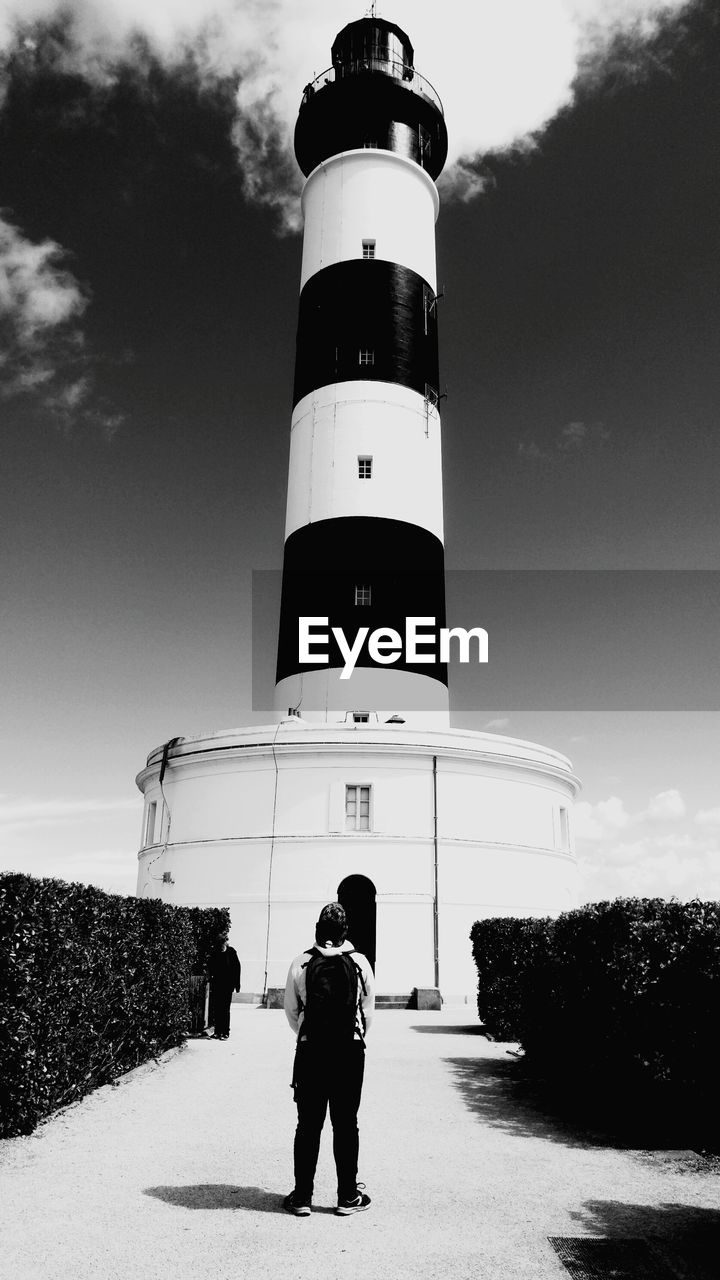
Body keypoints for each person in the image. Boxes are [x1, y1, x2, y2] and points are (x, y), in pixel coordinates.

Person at [283, 902, 375, 1217]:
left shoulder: (301, 963)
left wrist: (312, 1033)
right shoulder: (360, 963)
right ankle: (348, 1196)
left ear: (317, 930)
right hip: (349, 1051)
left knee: (308, 1124)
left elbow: (292, 1014)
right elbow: (368, 1012)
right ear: (345, 932)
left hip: (312, 1050)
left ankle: (301, 1197)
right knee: (346, 1123)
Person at [207, 932, 241, 1040]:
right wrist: (209, 980)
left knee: (225, 1009)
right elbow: (210, 967)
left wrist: (237, 984)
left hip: (228, 985)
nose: (221, 945)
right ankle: (217, 1032)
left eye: (222, 943)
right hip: (217, 984)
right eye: (219, 944)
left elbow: (237, 968)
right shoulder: (215, 953)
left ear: (225, 942)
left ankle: (225, 1032)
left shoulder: (231, 952)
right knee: (217, 1009)